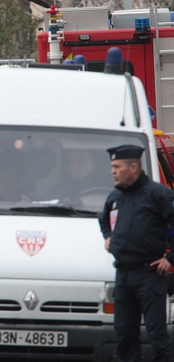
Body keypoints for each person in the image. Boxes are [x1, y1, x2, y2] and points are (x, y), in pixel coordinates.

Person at [98, 144, 174, 362]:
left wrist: (169, 259)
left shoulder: (158, 195)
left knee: (157, 334)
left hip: (149, 275)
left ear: (133, 168)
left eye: (117, 167)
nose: (112, 171)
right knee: (124, 335)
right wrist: (108, 237)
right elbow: (103, 220)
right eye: (111, 166)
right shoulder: (115, 197)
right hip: (123, 275)